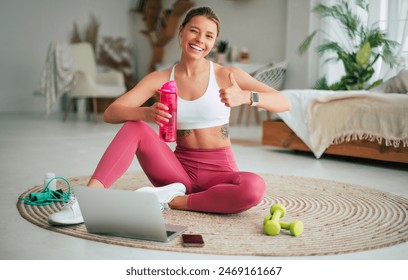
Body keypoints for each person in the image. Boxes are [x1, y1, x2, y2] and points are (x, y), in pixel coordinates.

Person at [48, 6, 291, 225]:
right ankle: (88, 201)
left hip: (220, 172)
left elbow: (284, 102)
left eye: (209, 36)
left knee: (253, 188)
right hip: (176, 173)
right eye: (194, 31)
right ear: (181, 32)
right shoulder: (160, 78)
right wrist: (145, 112)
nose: (200, 40)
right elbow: (111, 113)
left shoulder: (227, 75)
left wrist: (248, 97)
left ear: (214, 42)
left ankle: (173, 201)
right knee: (136, 127)